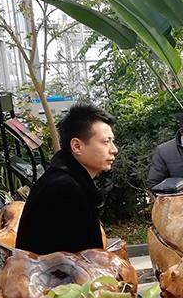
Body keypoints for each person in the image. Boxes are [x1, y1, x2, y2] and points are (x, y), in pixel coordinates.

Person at [16, 103, 118, 255]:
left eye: (112, 141)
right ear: (76, 146)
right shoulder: (65, 189)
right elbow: (83, 261)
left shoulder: (62, 179)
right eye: (105, 142)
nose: (114, 149)